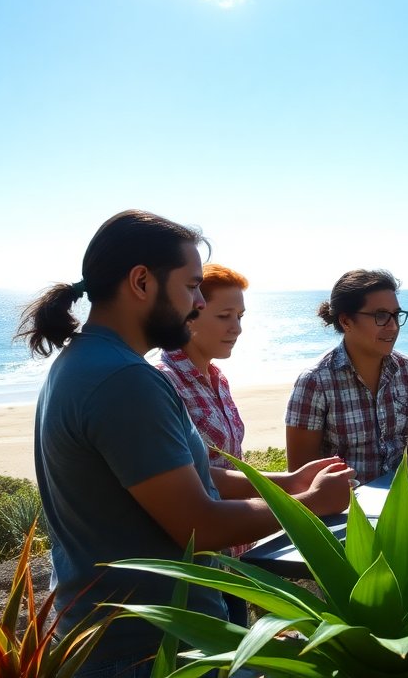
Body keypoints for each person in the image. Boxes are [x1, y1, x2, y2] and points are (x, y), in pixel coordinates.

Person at [18, 210, 354, 677]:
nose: (197, 302)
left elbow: (181, 476)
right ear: (141, 282)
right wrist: (310, 505)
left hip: (118, 636)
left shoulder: (87, 361)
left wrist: (289, 482)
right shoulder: (124, 380)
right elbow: (198, 524)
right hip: (147, 649)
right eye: (192, 286)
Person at [154, 262, 252, 626]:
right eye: (225, 316)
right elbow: (193, 476)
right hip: (199, 562)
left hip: (234, 553)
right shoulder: (163, 382)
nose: (236, 328)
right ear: (189, 312)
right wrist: (289, 490)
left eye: (240, 316)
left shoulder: (216, 378)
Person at [285, 269, 408, 483]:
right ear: (346, 321)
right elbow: (301, 476)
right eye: (381, 316)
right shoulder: (315, 382)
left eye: (396, 315)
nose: (393, 326)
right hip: (345, 503)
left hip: (405, 498)